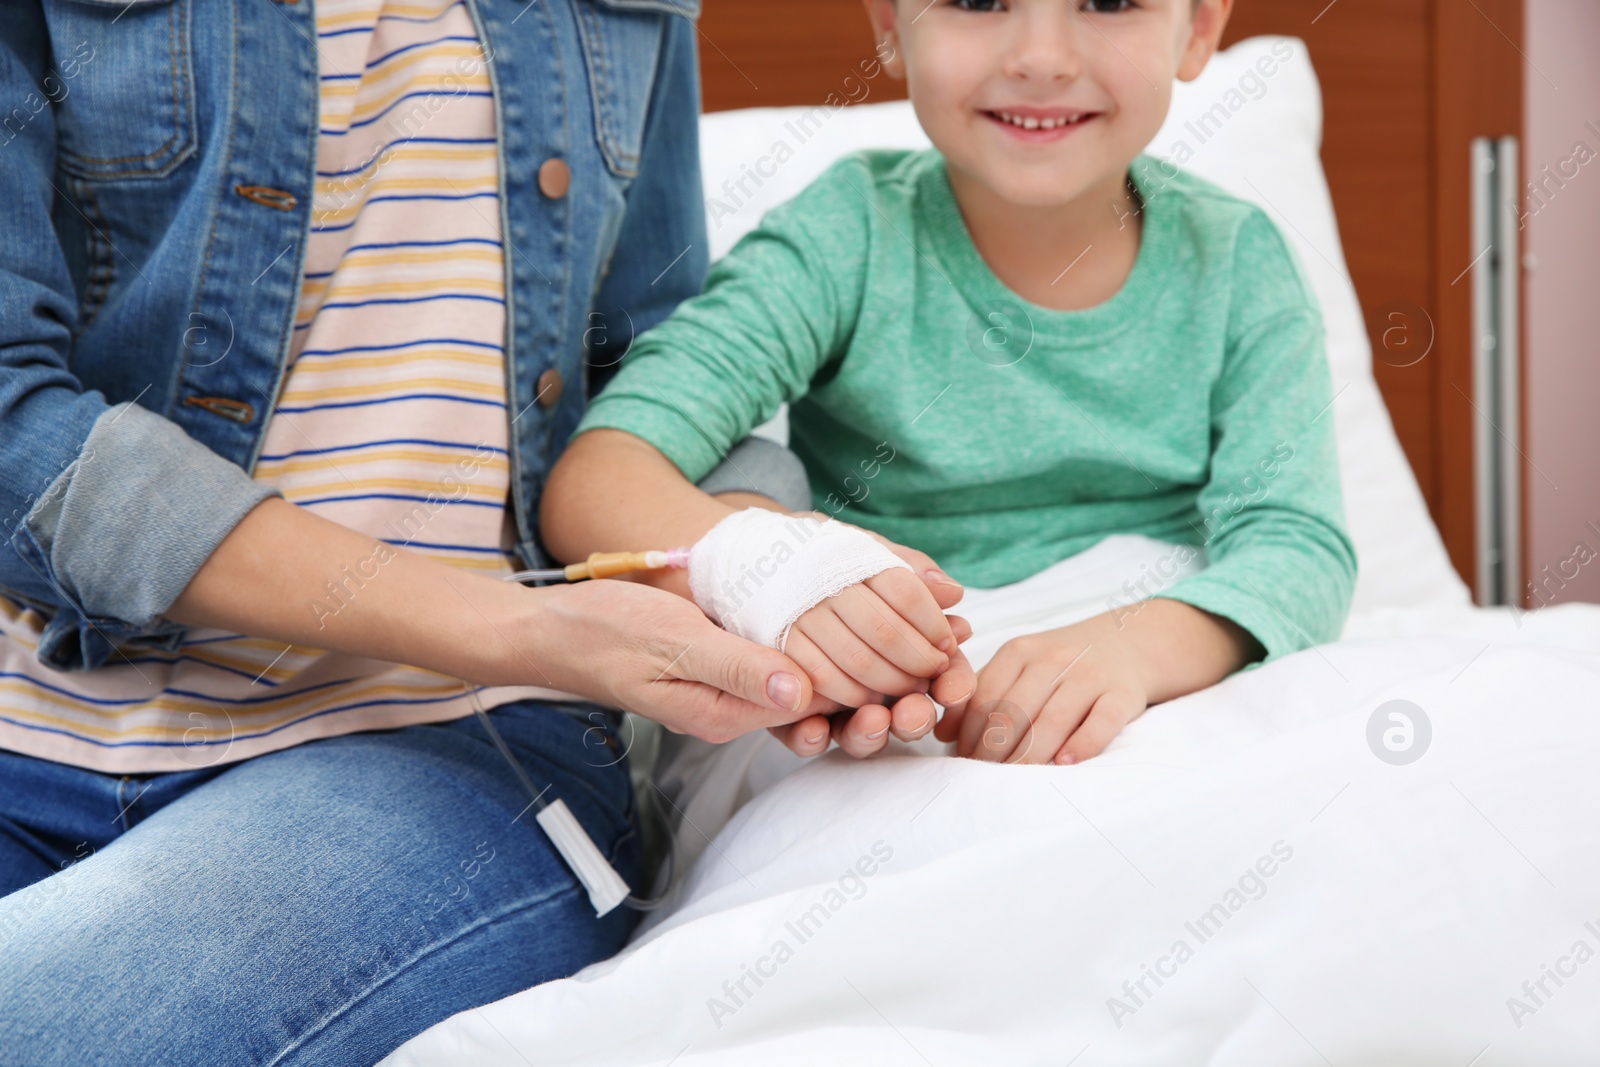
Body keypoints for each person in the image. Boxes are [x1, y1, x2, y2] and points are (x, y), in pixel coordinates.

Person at [0, 2, 960, 1063]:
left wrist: (759, 564)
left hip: (451, 743)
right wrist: (519, 623)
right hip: (33, 716)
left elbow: (651, 382)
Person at [541, 0, 1358, 765]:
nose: (1042, 58)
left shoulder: (1237, 260)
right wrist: (771, 566)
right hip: (912, 682)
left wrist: (1133, 647)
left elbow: (1297, 547)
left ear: (1199, 29)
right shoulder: (845, 237)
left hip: (1161, 664)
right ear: (891, 23)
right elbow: (597, 477)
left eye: (1109, 1)